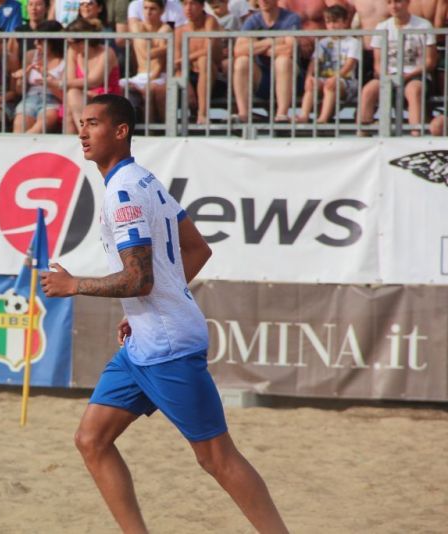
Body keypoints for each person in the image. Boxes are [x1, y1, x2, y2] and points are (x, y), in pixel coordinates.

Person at [39, 93, 289, 534]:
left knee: (216, 458)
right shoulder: (143, 179)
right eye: (81, 123)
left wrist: (75, 284)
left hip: (168, 345)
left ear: (121, 131)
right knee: (91, 440)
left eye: (93, 123)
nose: (82, 131)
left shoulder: (123, 190)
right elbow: (198, 249)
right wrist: (140, 310)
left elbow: (139, 279)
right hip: (144, 341)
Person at [358, 0, 436, 135]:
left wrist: (409, 75)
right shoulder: (382, 26)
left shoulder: (423, 25)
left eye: (398, 2)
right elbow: (378, 62)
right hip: (389, 75)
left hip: (417, 74)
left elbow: (430, 61)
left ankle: (415, 134)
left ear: (407, 3)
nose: (393, 6)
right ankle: (363, 131)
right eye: (389, 2)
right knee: (369, 89)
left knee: (413, 90)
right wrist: (385, 75)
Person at [233, 0, 301, 122]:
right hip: (263, 77)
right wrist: (270, 41)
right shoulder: (253, 20)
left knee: (283, 61)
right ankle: (243, 113)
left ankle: (282, 114)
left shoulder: (291, 18)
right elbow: (238, 50)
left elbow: (289, 49)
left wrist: (256, 46)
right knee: (241, 61)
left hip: (291, 78)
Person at [294, 4, 360, 123]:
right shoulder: (323, 42)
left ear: (345, 22)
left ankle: (323, 118)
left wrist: (336, 77)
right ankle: (303, 116)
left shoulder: (353, 42)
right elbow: (314, 61)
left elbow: (350, 64)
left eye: (336, 22)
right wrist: (309, 76)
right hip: (327, 79)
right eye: (329, 22)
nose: (332, 26)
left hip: (347, 82)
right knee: (312, 84)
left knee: (330, 85)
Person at [63, 17, 121, 133]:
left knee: (73, 96)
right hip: (83, 95)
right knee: (71, 100)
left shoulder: (107, 52)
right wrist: (83, 89)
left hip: (107, 97)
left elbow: (94, 81)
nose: (68, 45)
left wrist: (60, 83)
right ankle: (82, 139)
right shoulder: (72, 52)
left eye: (70, 42)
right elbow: (71, 79)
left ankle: (85, 135)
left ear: (82, 41)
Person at [121, 0, 173, 122]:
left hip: (160, 75)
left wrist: (152, 78)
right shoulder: (137, 26)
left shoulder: (166, 29)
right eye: (145, 8)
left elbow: (157, 59)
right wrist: (166, 47)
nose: (148, 12)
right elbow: (147, 53)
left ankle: (154, 131)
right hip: (141, 75)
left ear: (162, 11)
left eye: (152, 9)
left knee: (152, 90)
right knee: (118, 88)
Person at [12, 19, 65, 132]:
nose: (36, 43)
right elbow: (19, 91)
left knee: (41, 125)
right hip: (30, 98)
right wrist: (21, 78)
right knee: (19, 123)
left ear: (53, 41)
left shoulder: (65, 60)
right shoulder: (30, 55)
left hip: (52, 101)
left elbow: (63, 96)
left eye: (40, 40)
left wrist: (47, 80)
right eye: (36, 39)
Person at [177, 0, 221, 124]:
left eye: (193, 4)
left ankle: (202, 114)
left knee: (204, 61)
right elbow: (176, 63)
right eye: (185, 4)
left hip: (214, 76)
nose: (188, 8)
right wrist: (187, 87)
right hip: (189, 76)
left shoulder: (210, 21)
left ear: (202, 6)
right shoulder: (180, 31)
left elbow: (208, 49)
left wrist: (186, 58)